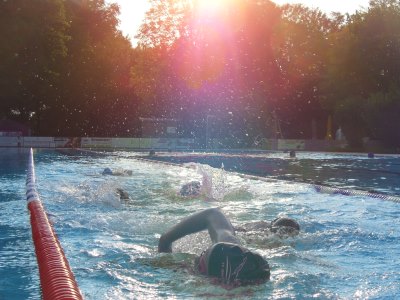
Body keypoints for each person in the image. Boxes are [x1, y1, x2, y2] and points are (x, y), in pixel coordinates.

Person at [158, 208, 271, 286]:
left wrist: (165, 241)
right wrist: (165, 240)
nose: (199, 257)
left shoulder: (188, 279)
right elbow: (213, 214)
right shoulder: (229, 243)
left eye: (200, 265)